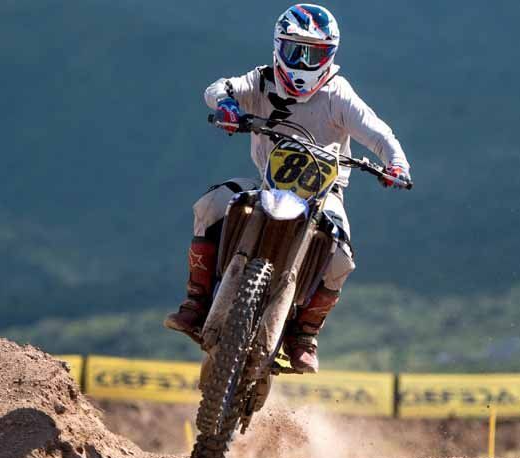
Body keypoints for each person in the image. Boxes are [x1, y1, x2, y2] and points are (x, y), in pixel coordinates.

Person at [164, 3, 411, 373]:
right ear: (278, 46)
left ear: (331, 56)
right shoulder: (261, 80)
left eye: (315, 54)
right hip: (269, 185)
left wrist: (397, 164)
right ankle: (196, 302)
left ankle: (305, 335)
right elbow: (217, 88)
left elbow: (379, 133)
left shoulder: (338, 94)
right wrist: (228, 106)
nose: (304, 62)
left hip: (324, 195)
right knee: (211, 204)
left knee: (341, 257)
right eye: (296, 51)